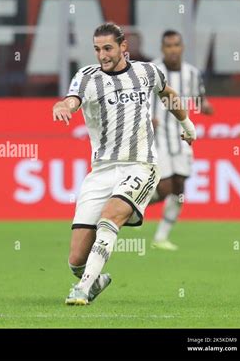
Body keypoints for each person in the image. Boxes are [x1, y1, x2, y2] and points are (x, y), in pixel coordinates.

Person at [52, 23, 196, 305]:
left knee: (110, 216)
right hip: (101, 171)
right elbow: (72, 100)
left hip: (140, 165)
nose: (102, 55)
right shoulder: (86, 77)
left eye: (107, 48)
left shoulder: (146, 72)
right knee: (75, 260)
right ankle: (94, 278)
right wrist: (63, 106)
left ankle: (82, 289)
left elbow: (168, 95)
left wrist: (187, 125)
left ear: (123, 47)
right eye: (97, 49)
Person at [149, 30, 213, 251]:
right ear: (162, 48)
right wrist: (148, 117)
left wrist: (204, 105)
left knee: (180, 187)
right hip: (158, 139)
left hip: (182, 137)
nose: (173, 49)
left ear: (182, 47)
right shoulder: (151, 71)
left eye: (176, 45)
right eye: (168, 46)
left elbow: (199, 96)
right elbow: (139, 99)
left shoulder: (192, 73)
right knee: (165, 187)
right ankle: (127, 210)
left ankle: (161, 237)